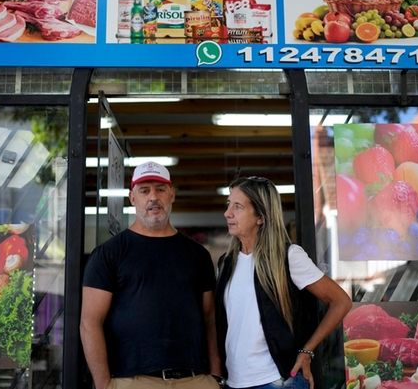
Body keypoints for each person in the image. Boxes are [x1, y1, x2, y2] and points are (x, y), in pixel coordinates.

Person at [81, 161, 222, 389]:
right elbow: (89, 322)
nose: (153, 197)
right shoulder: (109, 254)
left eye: (160, 189)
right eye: (144, 190)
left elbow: (210, 319)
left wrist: (215, 375)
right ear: (132, 197)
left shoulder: (197, 254)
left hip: (196, 380)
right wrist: (104, 384)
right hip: (132, 380)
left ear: (172, 194)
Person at [217, 176, 352, 389]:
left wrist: (307, 351)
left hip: (278, 380)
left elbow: (341, 301)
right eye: (228, 205)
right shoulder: (227, 263)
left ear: (260, 216)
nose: (228, 213)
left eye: (238, 207)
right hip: (235, 381)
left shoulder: (288, 257)